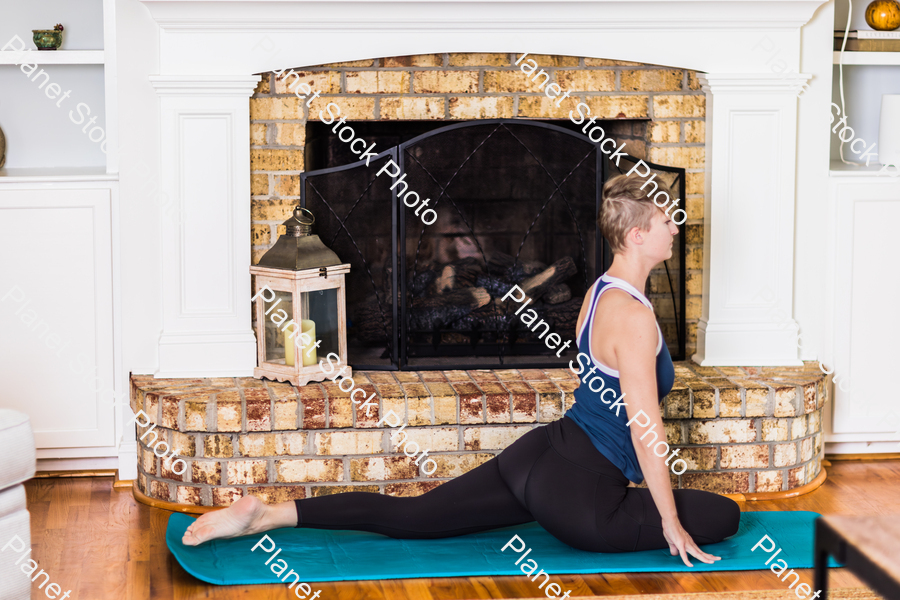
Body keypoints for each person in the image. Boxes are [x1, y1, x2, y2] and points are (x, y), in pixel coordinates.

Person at [182, 172, 741, 567]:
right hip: (581, 497)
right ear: (639, 234)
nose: (676, 226)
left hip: (539, 455)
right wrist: (669, 522)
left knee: (416, 518)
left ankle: (267, 515)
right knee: (723, 515)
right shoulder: (636, 319)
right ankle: (265, 516)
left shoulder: (600, 292)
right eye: (668, 218)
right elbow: (646, 431)